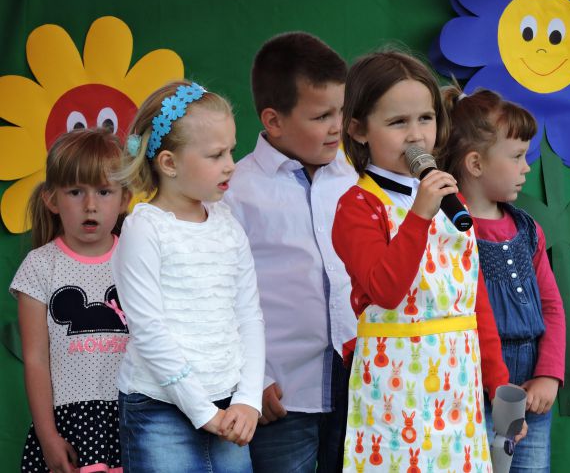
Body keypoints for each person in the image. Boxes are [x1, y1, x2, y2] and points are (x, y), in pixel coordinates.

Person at [332, 50, 521, 472]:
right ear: (359, 129)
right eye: (398, 122)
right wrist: (419, 215)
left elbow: (474, 302)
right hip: (395, 394)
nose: (416, 135)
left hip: (459, 386)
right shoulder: (358, 206)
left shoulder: (452, 201)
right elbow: (386, 291)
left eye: (425, 118)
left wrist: (497, 382)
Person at [111, 80, 264, 472]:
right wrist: (203, 411)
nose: (230, 164)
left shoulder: (229, 226)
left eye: (231, 150)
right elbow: (149, 330)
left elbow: (249, 316)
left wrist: (248, 399)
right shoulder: (145, 229)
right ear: (169, 164)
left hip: (228, 404)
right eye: (215, 154)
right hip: (159, 407)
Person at [223, 32, 358, 472]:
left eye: (341, 111)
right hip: (281, 394)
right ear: (274, 121)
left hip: (360, 386)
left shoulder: (356, 179)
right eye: (322, 116)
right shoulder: (236, 191)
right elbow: (220, 295)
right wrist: (252, 379)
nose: (338, 126)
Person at [438, 85, 566, 472]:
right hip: (468, 388)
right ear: (476, 164)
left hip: (529, 391)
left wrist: (548, 374)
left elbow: (551, 306)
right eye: (517, 156)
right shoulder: (444, 231)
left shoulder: (528, 231)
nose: (526, 167)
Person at [11, 128, 131, 472]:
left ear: (124, 199)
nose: (90, 205)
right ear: (52, 200)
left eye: (104, 191)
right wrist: (48, 436)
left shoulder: (137, 258)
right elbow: (35, 359)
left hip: (136, 415)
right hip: (71, 425)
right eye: (76, 191)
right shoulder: (40, 265)